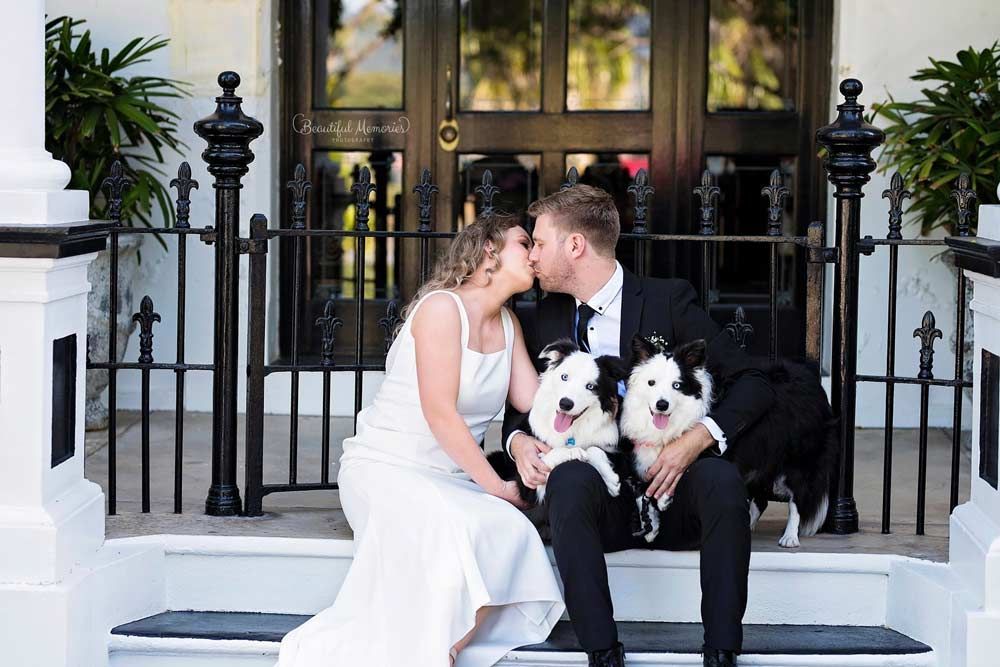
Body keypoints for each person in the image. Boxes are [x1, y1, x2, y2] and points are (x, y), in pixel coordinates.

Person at [502, 185, 775, 667]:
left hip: (672, 492)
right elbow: (522, 410)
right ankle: (602, 654)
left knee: (721, 479)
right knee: (568, 481)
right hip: (601, 501)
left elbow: (753, 382)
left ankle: (722, 653)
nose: (532, 256)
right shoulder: (545, 315)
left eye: (539, 243)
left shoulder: (668, 300)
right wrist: (519, 441)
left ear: (575, 245)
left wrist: (697, 439)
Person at [277, 215, 565, 667]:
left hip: (452, 479)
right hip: (386, 468)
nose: (533, 254)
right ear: (489, 250)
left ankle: (444, 648)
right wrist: (496, 486)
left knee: (512, 534)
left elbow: (535, 402)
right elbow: (440, 415)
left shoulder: (508, 323)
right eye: (524, 243)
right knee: (457, 531)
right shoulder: (442, 309)